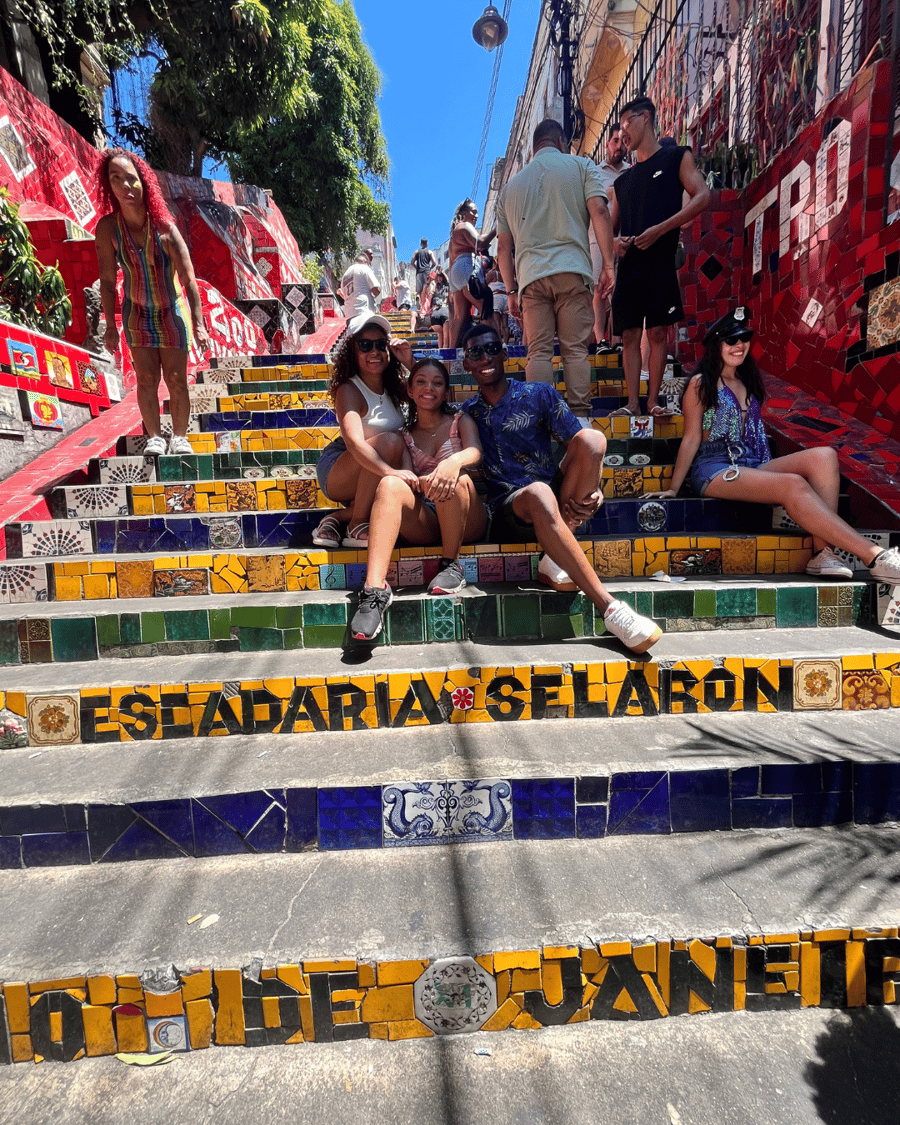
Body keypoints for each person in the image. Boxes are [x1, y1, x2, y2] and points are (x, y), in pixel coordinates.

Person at [647, 306, 900, 583]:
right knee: (792, 484)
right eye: (731, 340)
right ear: (716, 345)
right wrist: (673, 487)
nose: (739, 345)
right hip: (716, 468)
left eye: (744, 339)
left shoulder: (747, 381)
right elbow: (692, 437)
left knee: (824, 455)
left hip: (754, 463)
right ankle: (875, 556)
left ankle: (822, 553)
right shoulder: (701, 384)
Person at [460, 322, 664, 653]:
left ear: (505, 353)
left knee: (593, 439)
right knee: (539, 494)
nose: (485, 356)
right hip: (508, 511)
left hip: (551, 497)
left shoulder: (537, 393)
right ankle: (611, 609)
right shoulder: (466, 413)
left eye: (491, 348)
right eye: (475, 352)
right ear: (466, 363)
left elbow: (579, 447)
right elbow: (422, 399)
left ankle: (555, 558)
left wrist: (595, 487)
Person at [350, 358, 488, 641]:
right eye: (421, 381)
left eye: (437, 383)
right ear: (410, 390)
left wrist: (452, 464)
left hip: (466, 518)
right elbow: (409, 483)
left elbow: (475, 453)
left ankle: (451, 565)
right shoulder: (405, 436)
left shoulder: (459, 421)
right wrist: (425, 481)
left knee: (457, 478)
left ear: (446, 391)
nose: (429, 388)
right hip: (429, 520)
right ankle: (375, 590)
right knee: (390, 484)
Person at [496, 119, 615, 420]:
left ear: (535, 146)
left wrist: (511, 291)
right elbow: (600, 211)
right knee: (575, 350)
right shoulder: (582, 166)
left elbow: (502, 249)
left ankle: (539, 420)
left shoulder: (509, 189)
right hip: (572, 271)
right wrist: (609, 264)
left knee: (538, 352)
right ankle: (579, 420)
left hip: (531, 279)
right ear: (561, 142)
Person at [94, 148, 210, 456]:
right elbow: (107, 281)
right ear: (109, 185)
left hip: (172, 311)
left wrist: (199, 325)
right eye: (115, 179)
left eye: (131, 179)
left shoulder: (165, 229)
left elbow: (188, 279)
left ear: (144, 183)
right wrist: (109, 326)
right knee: (145, 378)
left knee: (175, 378)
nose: (124, 186)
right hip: (136, 312)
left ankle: (181, 436)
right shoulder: (108, 229)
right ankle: (155, 437)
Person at [609, 97, 710, 418]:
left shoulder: (676, 157)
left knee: (656, 333)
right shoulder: (621, 181)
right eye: (620, 124)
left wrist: (662, 228)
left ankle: (652, 402)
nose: (622, 131)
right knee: (628, 335)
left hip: (660, 262)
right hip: (629, 268)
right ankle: (632, 404)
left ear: (647, 118)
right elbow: (608, 230)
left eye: (627, 122)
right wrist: (615, 243)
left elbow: (703, 195)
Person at [312, 312, 414, 548]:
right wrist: (391, 472)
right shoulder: (349, 390)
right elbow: (355, 444)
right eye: (365, 345)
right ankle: (356, 522)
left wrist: (410, 362)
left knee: (393, 443)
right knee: (390, 441)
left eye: (380, 345)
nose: (374, 352)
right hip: (341, 467)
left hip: (374, 472)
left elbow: (431, 394)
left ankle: (336, 518)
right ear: (352, 351)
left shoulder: (392, 387)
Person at [591, 124, 628, 351]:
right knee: (599, 290)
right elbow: (590, 202)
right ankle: (600, 341)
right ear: (607, 143)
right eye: (615, 141)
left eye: (623, 142)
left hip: (625, 238)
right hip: (597, 239)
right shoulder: (594, 172)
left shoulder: (632, 171)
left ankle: (617, 341)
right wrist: (612, 192)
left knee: (620, 291)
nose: (619, 146)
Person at [447, 199, 495, 349]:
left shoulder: (454, 235)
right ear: (463, 214)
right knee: (485, 307)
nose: (476, 215)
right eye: (473, 212)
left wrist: (451, 289)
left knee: (460, 318)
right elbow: (480, 243)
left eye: (477, 212)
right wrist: (499, 227)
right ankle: (494, 346)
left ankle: (450, 357)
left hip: (456, 273)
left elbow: (451, 264)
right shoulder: (464, 225)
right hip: (467, 267)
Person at [339, 251, 380, 316]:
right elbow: (376, 289)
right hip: (364, 311)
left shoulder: (345, 275)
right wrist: (373, 296)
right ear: (365, 261)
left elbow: (343, 295)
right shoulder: (364, 267)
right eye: (368, 263)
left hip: (349, 313)